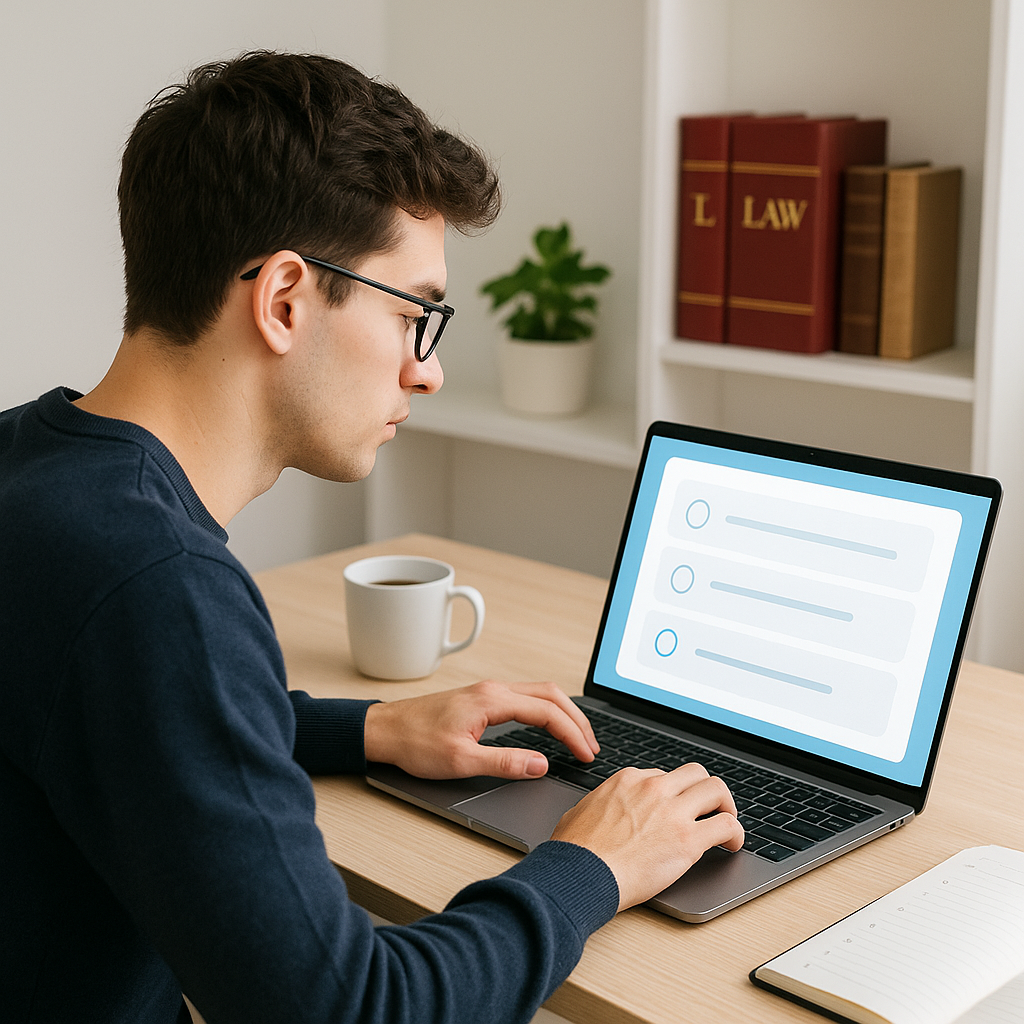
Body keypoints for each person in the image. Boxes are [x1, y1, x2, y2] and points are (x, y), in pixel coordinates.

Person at [0, 51, 743, 1024]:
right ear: (284, 300)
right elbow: (349, 1009)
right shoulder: (157, 585)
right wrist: (591, 863)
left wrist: (366, 728)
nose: (425, 371)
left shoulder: (34, 467)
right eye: (414, 314)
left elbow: (118, 711)